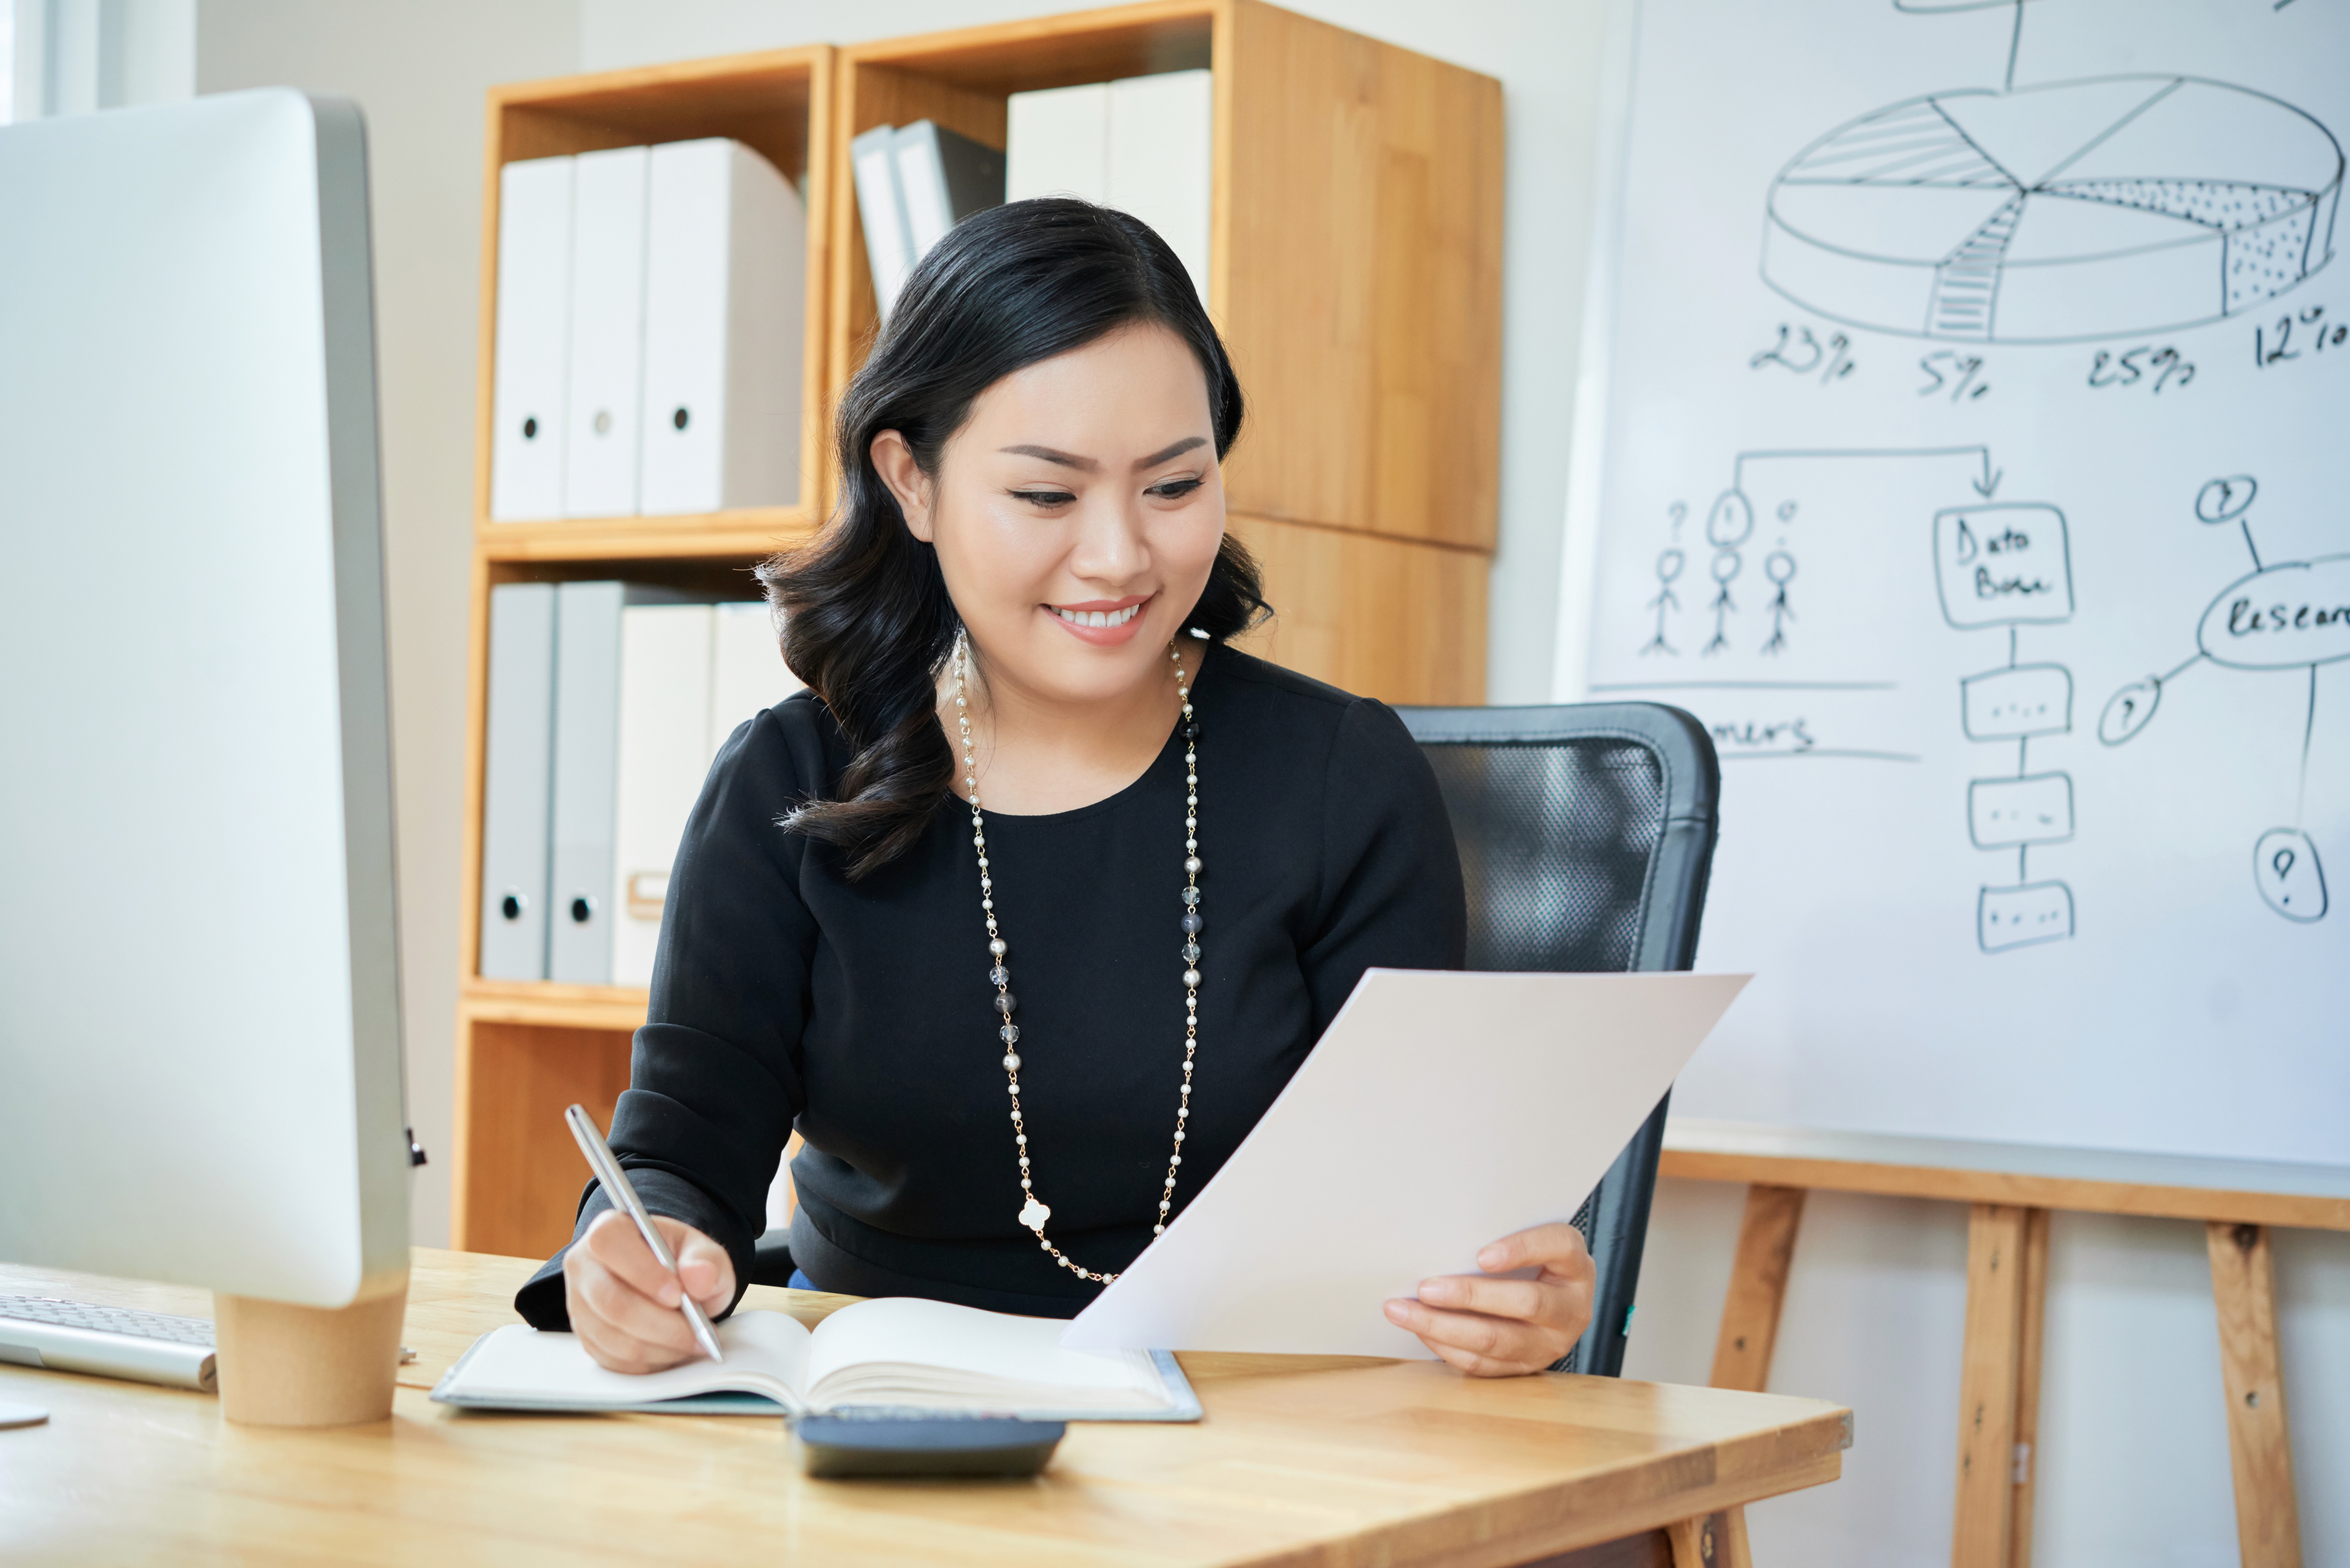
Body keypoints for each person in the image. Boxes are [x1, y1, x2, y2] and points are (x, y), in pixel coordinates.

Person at [515, 199, 1595, 1378]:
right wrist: (642, 1243)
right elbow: (683, 1149)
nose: (1122, 556)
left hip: (1254, 1411)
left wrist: (1510, 1292)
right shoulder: (789, 782)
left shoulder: (1341, 778)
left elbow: (1426, 1191)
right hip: (872, 1396)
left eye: (1174, 487)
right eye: (1046, 495)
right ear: (912, 482)